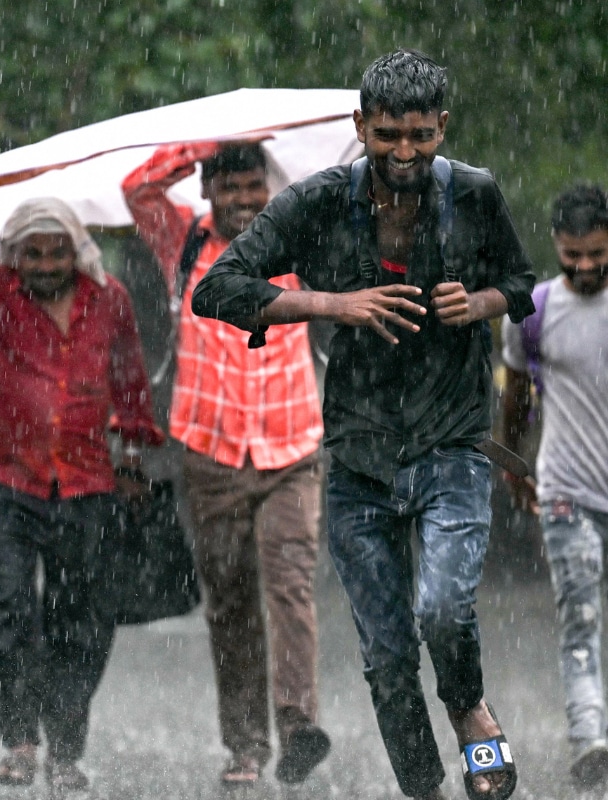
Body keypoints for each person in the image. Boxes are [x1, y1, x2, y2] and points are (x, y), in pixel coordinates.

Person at [192, 49, 535, 800]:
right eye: (387, 135)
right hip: (358, 456)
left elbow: (520, 284)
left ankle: (470, 710)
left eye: (420, 135)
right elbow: (216, 289)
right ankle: (424, 788)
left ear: (442, 126)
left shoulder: (475, 194)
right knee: (386, 655)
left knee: (443, 609)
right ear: (360, 126)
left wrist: (478, 303)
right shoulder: (317, 203)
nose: (403, 152)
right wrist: (332, 304)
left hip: (452, 442)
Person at [0, 197, 164, 793]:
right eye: (33, 253)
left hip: (87, 484)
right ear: (13, 256)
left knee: (82, 622)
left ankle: (65, 751)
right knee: (10, 611)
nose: (46, 264)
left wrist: (132, 459)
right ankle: (20, 743)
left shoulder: (110, 299)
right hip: (4, 483)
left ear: (78, 251)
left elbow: (129, 383)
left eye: (56, 252)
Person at [121, 142, 329, 788]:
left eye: (253, 186)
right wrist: (204, 143)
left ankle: (298, 724)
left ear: (269, 187)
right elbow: (138, 189)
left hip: (291, 448)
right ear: (207, 191)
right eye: (229, 186)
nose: (243, 199)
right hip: (210, 453)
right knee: (230, 599)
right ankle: (245, 746)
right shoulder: (182, 240)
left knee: (290, 586)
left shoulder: (298, 236)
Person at [500, 184, 608, 789]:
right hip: (567, 490)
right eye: (573, 255)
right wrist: (513, 464)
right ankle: (590, 738)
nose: (585, 266)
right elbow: (515, 397)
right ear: (557, 246)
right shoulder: (534, 311)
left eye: (597, 254)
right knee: (580, 617)